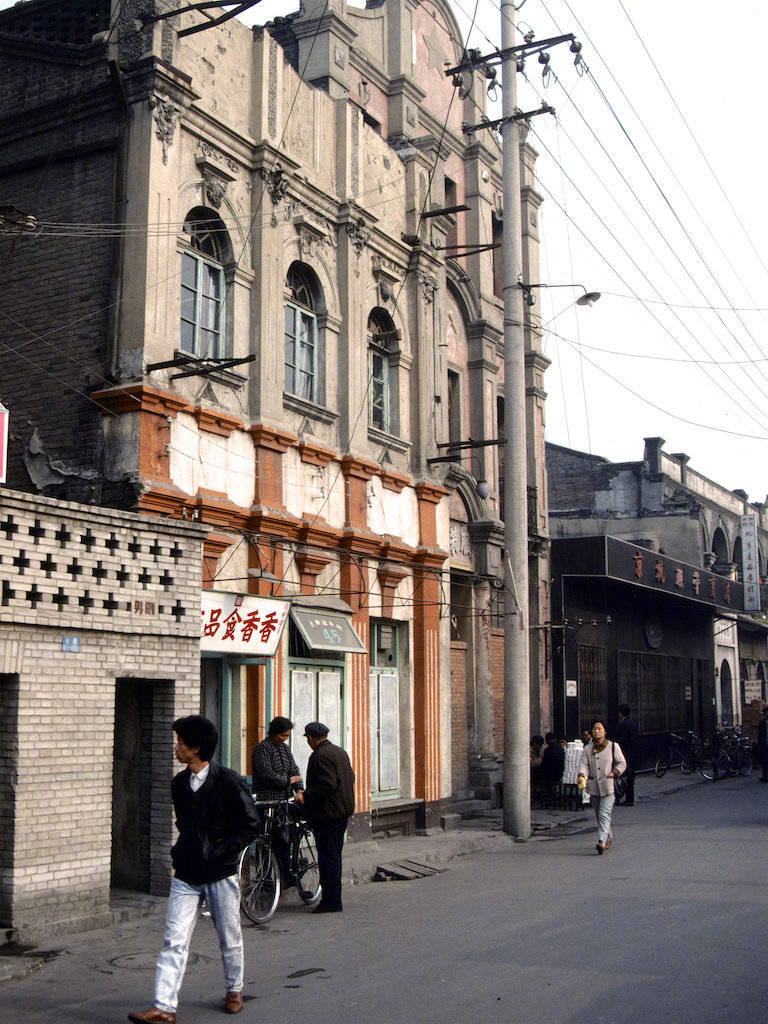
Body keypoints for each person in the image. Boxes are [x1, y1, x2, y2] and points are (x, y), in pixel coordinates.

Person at [128, 716, 260, 1023]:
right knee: (174, 940)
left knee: (229, 937)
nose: (176, 748)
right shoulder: (179, 784)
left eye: (181, 744)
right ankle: (164, 1007)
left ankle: (234, 989)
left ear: (196, 748)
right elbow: (185, 824)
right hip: (186, 874)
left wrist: (219, 852)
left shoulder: (229, 781)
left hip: (220, 874)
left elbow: (251, 825)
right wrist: (182, 851)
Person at [295, 721, 355, 914]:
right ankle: (333, 898)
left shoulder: (319, 756)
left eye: (308, 739)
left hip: (328, 814)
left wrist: (306, 794)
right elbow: (349, 778)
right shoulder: (339, 752)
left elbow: (327, 784)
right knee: (334, 857)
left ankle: (331, 901)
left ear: (311, 738)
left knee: (328, 859)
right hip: (342, 812)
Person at [577, 720, 627, 855]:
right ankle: (608, 837)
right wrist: (581, 775)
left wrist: (614, 772)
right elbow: (583, 764)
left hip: (608, 787)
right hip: (594, 788)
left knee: (604, 814)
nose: (596, 731)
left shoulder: (613, 746)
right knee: (599, 816)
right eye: (594, 729)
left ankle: (601, 842)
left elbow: (622, 763)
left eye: (599, 729)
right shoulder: (588, 748)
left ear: (605, 731)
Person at [251, 716, 303, 799]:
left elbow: (294, 770)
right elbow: (266, 774)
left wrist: (299, 790)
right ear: (274, 733)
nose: (284, 739)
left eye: (287, 736)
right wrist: (287, 781)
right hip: (267, 799)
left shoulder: (286, 748)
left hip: (286, 799)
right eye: (282, 735)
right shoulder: (263, 748)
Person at [616, 704, 638, 806]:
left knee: (627, 777)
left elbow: (623, 740)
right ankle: (628, 798)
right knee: (630, 777)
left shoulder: (625, 724)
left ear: (621, 713)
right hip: (633, 753)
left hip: (628, 754)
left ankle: (628, 799)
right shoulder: (632, 723)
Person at [758, 707, 768, 783]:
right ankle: (765, 776)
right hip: (765, 744)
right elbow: (760, 734)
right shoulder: (762, 722)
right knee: (765, 761)